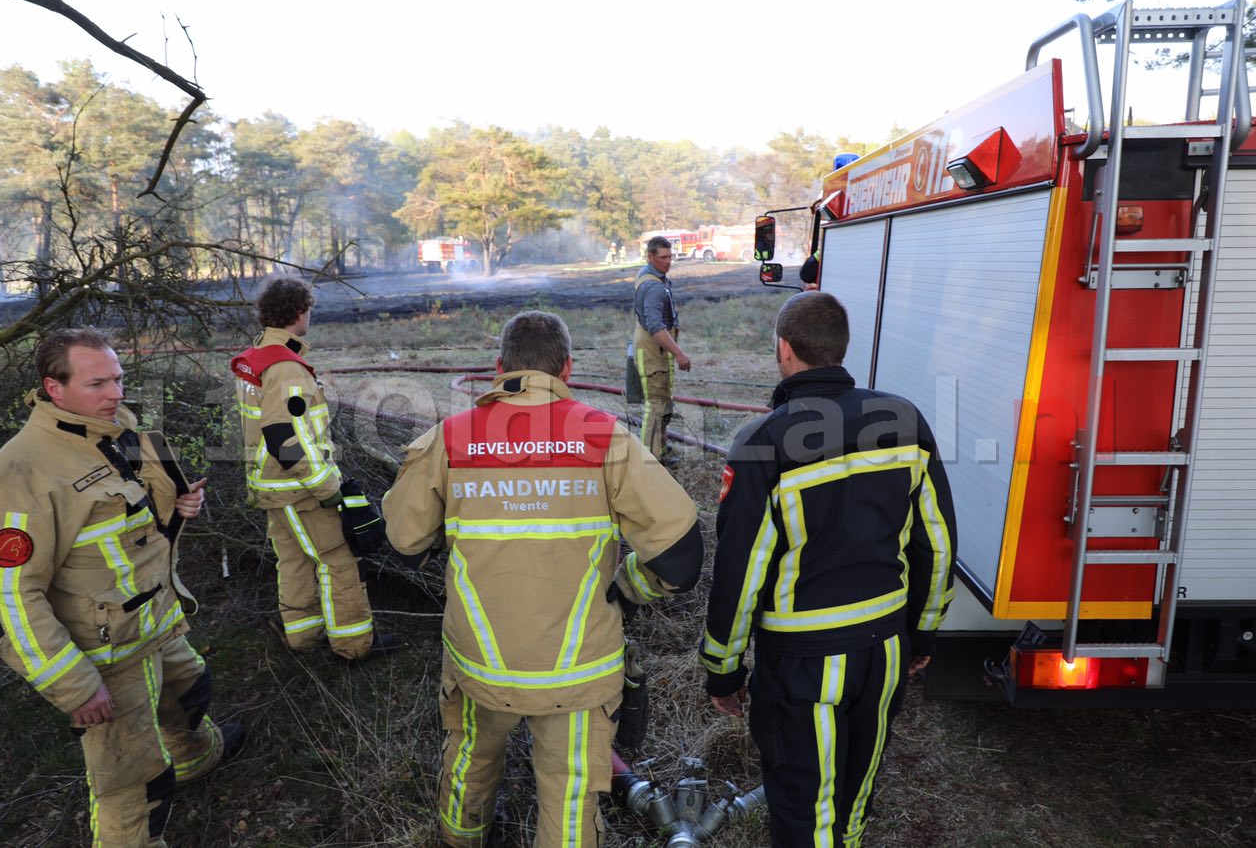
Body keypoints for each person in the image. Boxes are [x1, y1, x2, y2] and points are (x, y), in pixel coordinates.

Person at [383, 310, 703, 847]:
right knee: (571, 794)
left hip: (480, 663)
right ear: (568, 369)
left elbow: (403, 539)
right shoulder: (608, 440)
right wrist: (627, 589)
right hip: (577, 672)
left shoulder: (450, 439)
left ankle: (462, 839)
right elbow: (681, 559)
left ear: (499, 367)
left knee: (472, 760)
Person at [698, 292, 956, 847]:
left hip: (802, 661)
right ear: (841, 349)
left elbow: (741, 569)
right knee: (854, 796)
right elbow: (935, 540)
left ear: (784, 350)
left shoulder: (763, 441)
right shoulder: (905, 418)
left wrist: (723, 666)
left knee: (805, 809)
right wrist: (924, 630)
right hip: (885, 648)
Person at [0, 327, 244, 846]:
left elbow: (129, 516)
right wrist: (74, 684)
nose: (116, 393)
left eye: (118, 379)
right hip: (108, 649)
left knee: (191, 693)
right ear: (55, 388)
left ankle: (196, 759)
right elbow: (5, 597)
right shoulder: (25, 469)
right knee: (134, 785)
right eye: (98, 382)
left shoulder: (112, 428)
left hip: (157, 620)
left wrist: (179, 505)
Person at [230, 278, 395, 661]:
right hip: (299, 489)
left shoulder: (258, 355)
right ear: (299, 312)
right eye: (310, 310)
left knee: (294, 562)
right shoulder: (286, 367)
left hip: (272, 487)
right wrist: (328, 488)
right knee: (337, 560)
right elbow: (282, 436)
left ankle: (303, 639)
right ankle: (354, 646)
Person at [630, 235, 691, 466]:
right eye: (663, 257)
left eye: (670, 256)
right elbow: (655, 326)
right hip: (653, 352)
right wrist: (679, 354)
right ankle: (648, 460)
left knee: (664, 402)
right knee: (655, 404)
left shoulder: (654, 276)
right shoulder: (653, 287)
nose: (668, 262)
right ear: (650, 257)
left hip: (657, 351)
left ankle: (661, 448)